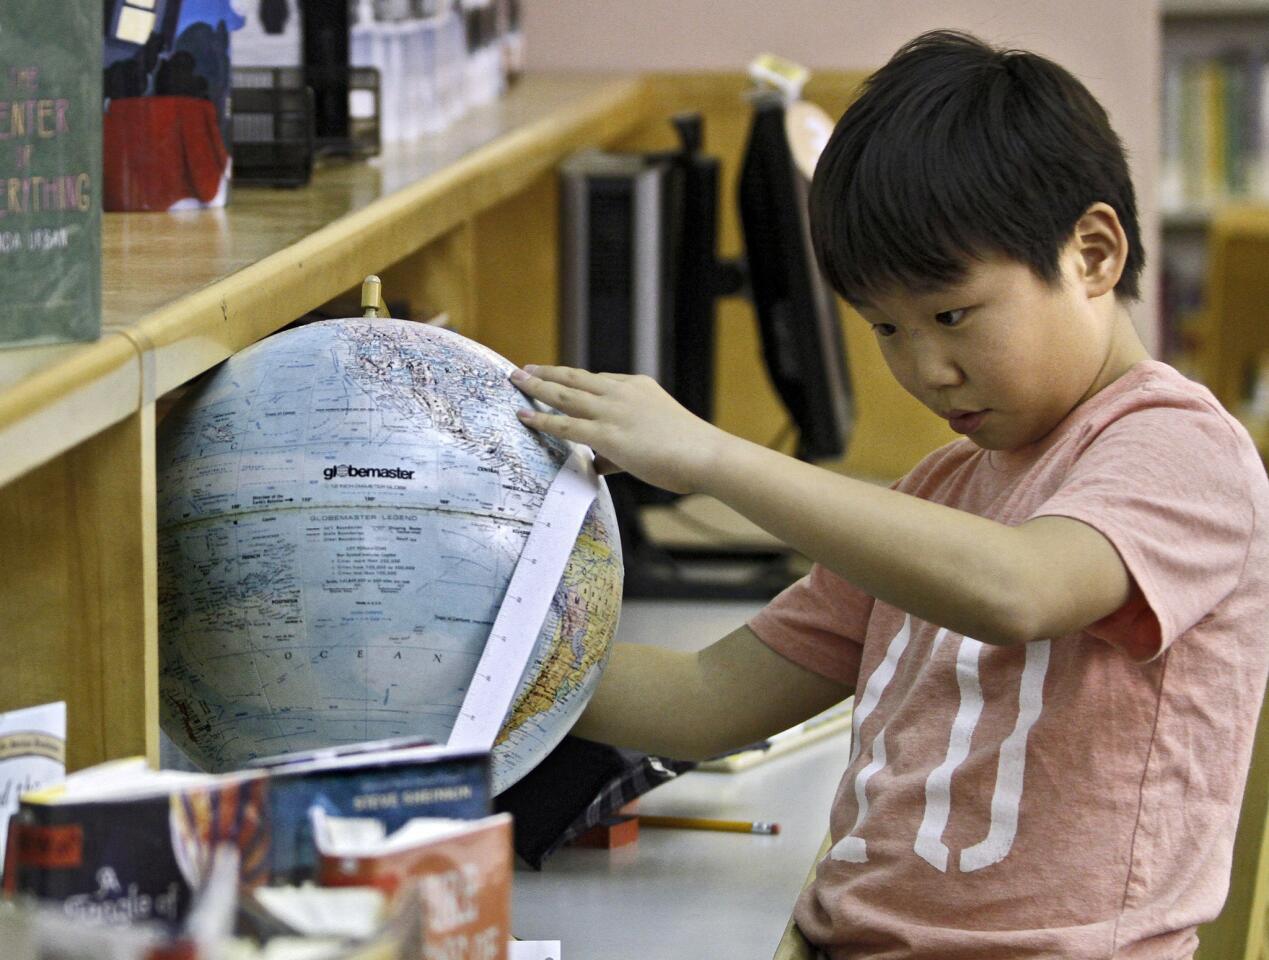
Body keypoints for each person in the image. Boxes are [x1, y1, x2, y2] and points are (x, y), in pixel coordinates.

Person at [509, 30, 1269, 959]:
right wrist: (462, 653)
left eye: (950, 315)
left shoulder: (1178, 448)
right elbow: (704, 698)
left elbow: (1020, 589)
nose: (925, 368)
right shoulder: (944, 489)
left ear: (1093, 254)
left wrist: (714, 458)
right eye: (885, 330)